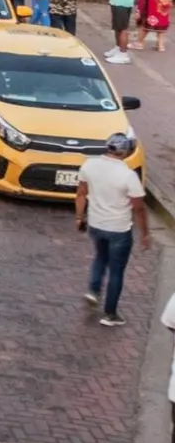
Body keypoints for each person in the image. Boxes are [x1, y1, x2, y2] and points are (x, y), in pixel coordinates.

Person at [76, 133, 149, 327]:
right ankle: (110, 314)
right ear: (124, 152)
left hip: (96, 224)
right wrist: (145, 233)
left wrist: (79, 217)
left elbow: (81, 194)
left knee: (100, 258)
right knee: (117, 270)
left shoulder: (89, 165)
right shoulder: (128, 175)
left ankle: (93, 291)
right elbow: (139, 207)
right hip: (119, 229)